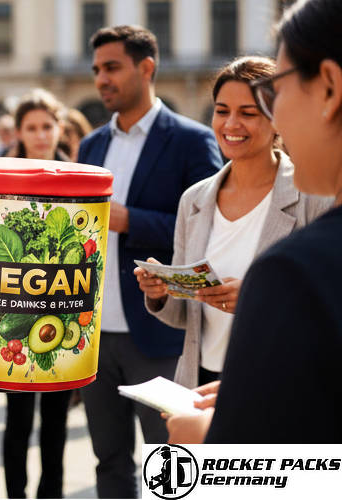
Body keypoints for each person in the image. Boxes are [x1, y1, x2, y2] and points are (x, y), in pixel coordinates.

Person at [76, 25, 222, 498]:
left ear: (147, 68)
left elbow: (203, 229)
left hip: (158, 331)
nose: (101, 79)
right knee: (108, 460)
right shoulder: (91, 147)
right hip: (94, 332)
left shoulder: (191, 140)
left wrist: (126, 220)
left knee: (174, 464)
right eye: (97, 69)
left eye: (112, 67)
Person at [134, 56, 333, 389]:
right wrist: (161, 293)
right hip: (199, 381)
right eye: (222, 111)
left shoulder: (314, 196)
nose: (231, 125)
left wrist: (261, 301)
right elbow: (186, 317)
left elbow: (329, 305)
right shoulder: (194, 200)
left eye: (248, 113)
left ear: (278, 119)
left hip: (280, 386)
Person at [198, 0, 342, 443]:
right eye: (222, 111)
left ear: (330, 87)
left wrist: (204, 449)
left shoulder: (297, 271)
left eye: (274, 92)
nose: (275, 114)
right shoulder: (197, 200)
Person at [2, 88, 72, 500]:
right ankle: (15, 494)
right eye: (33, 127)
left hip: (63, 311)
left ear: (59, 128)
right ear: (20, 131)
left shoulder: (77, 172)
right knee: (18, 418)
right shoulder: (5, 172)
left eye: (47, 126)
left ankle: (52, 494)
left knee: (57, 421)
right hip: (17, 311)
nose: (41, 134)